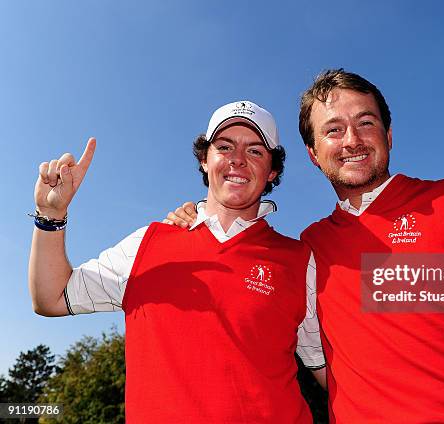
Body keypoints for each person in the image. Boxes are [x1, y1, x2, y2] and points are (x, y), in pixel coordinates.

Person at [166, 70, 444, 423]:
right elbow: (323, 368)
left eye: (365, 122)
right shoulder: (309, 251)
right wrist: (197, 217)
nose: (351, 139)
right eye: (333, 130)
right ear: (314, 154)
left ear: (389, 136)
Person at [28, 101, 325, 423]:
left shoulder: (300, 260)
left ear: (272, 171)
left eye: (255, 151)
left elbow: (332, 373)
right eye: (224, 147)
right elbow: (50, 298)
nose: (237, 159)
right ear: (204, 160)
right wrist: (51, 215)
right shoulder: (147, 243)